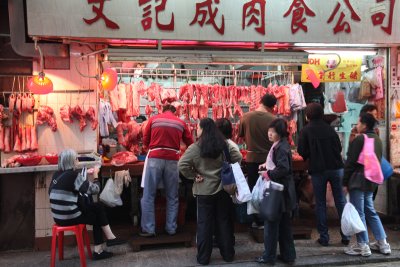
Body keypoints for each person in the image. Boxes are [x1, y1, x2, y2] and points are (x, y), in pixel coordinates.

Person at [178, 118, 242, 265]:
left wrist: (194, 175)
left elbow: (182, 165)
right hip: (223, 190)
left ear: (203, 130)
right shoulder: (224, 145)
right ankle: (228, 255)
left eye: (198, 128)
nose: (197, 131)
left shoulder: (195, 148)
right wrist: (227, 171)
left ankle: (203, 258)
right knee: (224, 222)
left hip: (204, 191)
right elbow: (238, 157)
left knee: (204, 225)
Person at [48, 149, 125, 260]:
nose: (77, 160)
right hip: (70, 217)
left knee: (97, 208)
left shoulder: (56, 175)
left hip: (58, 218)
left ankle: (105, 243)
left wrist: (83, 177)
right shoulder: (74, 176)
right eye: (76, 159)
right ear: (71, 161)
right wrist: (95, 175)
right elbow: (95, 189)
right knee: (97, 213)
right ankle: (105, 244)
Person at [297, 103, 350, 246]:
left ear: (307, 116)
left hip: (318, 170)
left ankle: (324, 237)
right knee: (340, 201)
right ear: (321, 114)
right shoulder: (330, 129)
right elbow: (338, 148)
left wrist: (311, 155)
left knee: (320, 203)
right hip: (336, 168)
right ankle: (346, 236)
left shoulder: (306, 131)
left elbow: (302, 151)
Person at [141, 104, 193, 236]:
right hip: (173, 160)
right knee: (172, 196)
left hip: (154, 159)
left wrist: (149, 147)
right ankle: (171, 228)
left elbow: (145, 139)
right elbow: (190, 142)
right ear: (174, 112)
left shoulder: (153, 119)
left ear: (162, 110)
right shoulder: (180, 122)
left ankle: (149, 229)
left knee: (148, 195)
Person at [343, 113, 391, 256]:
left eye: (358, 123)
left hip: (358, 180)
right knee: (370, 210)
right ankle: (383, 243)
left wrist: (345, 182)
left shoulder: (359, 139)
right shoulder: (377, 139)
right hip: (371, 180)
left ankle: (363, 245)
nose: (357, 125)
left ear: (364, 125)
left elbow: (350, 163)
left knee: (359, 212)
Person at [255, 118, 297, 265]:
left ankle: (269, 257)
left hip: (278, 192)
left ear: (279, 132)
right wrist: (266, 165)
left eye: (272, 132)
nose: (269, 134)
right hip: (284, 192)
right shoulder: (280, 145)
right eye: (269, 131)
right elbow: (278, 163)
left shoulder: (281, 147)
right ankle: (288, 256)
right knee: (284, 226)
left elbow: (283, 168)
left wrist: (269, 174)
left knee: (271, 225)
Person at [238, 93, 277, 228]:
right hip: (269, 160)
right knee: (267, 190)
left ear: (260, 101)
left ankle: (256, 220)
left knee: (254, 189)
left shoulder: (246, 117)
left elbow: (241, 136)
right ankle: (267, 218)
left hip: (252, 158)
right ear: (272, 107)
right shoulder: (273, 119)